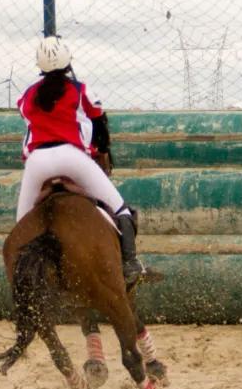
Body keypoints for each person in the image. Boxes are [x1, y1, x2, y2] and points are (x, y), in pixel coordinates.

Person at [16, 36, 146, 285]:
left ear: (39, 65)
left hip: (37, 163)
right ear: (68, 61)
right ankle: (130, 263)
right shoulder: (81, 90)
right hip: (72, 158)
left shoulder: (27, 96)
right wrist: (102, 147)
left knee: (21, 228)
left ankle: (22, 278)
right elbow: (99, 122)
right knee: (121, 211)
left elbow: (29, 118)